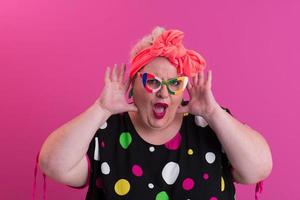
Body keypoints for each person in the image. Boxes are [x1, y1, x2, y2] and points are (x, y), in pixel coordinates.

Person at [36, 26, 272, 200]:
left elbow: (257, 170)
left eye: (174, 84)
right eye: (153, 81)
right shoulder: (106, 129)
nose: (163, 93)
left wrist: (212, 112)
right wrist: (101, 109)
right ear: (133, 83)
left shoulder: (209, 123)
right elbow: (53, 164)